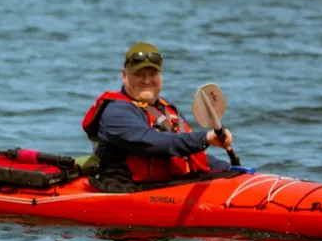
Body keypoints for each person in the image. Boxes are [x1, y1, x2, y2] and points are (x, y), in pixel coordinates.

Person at [80, 41, 233, 193]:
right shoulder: (116, 113)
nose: (146, 81)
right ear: (124, 76)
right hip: (124, 189)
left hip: (166, 186)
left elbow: (191, 155)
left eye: (152, 74)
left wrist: (231, 170)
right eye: (139, 75)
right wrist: (204, 139)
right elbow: (151, 142)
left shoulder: (167, 110)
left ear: (160, 76)